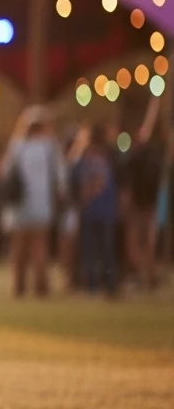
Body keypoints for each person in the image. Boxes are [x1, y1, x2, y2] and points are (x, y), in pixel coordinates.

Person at [0, 107, 67, 298]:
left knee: (19, 246)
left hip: (20, 202)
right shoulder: (49, 146)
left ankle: (19, 285)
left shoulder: (17, 145)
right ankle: (41, 285)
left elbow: (4, 171)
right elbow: (60, 173)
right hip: (41, 202)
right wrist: (60, 192)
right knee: (40, 245)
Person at [71, 125, 120, 297]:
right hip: (106, 210)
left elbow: (74, 178)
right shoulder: (110, 156)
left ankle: (93, 285)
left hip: (90, 210)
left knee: (91, 250)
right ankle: (108, 284)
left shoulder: (82, 158)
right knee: (106, 249)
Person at [124, 106, 167, 292]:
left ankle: (147, 275)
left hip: (143, 204)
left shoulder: (141, 155)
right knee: (144, 242)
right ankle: (147, 275)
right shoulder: (150, 155)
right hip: (146, 204)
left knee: (140, 242)